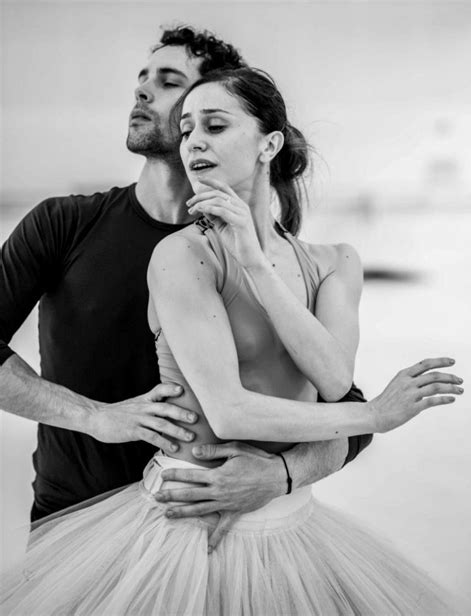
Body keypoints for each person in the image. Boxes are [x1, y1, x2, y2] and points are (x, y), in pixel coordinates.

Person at [1, 67, 463, 616]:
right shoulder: (175, 253)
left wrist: (255, 261)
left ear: (270, 143)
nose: (192, 139)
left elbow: (337, 382)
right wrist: (379, 417)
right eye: (188, 128)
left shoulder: (334, 260)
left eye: (213, 125)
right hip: (176, 518)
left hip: (293, 518)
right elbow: (229, 412)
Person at [0, 26, 371, 528]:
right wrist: (93, 416)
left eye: (169, 80)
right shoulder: (63, 224)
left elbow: (343, 407)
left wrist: (282, 474)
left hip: (220, 526)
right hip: (74, 521)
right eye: (143, 79)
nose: (143, 90)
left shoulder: (275, 257)